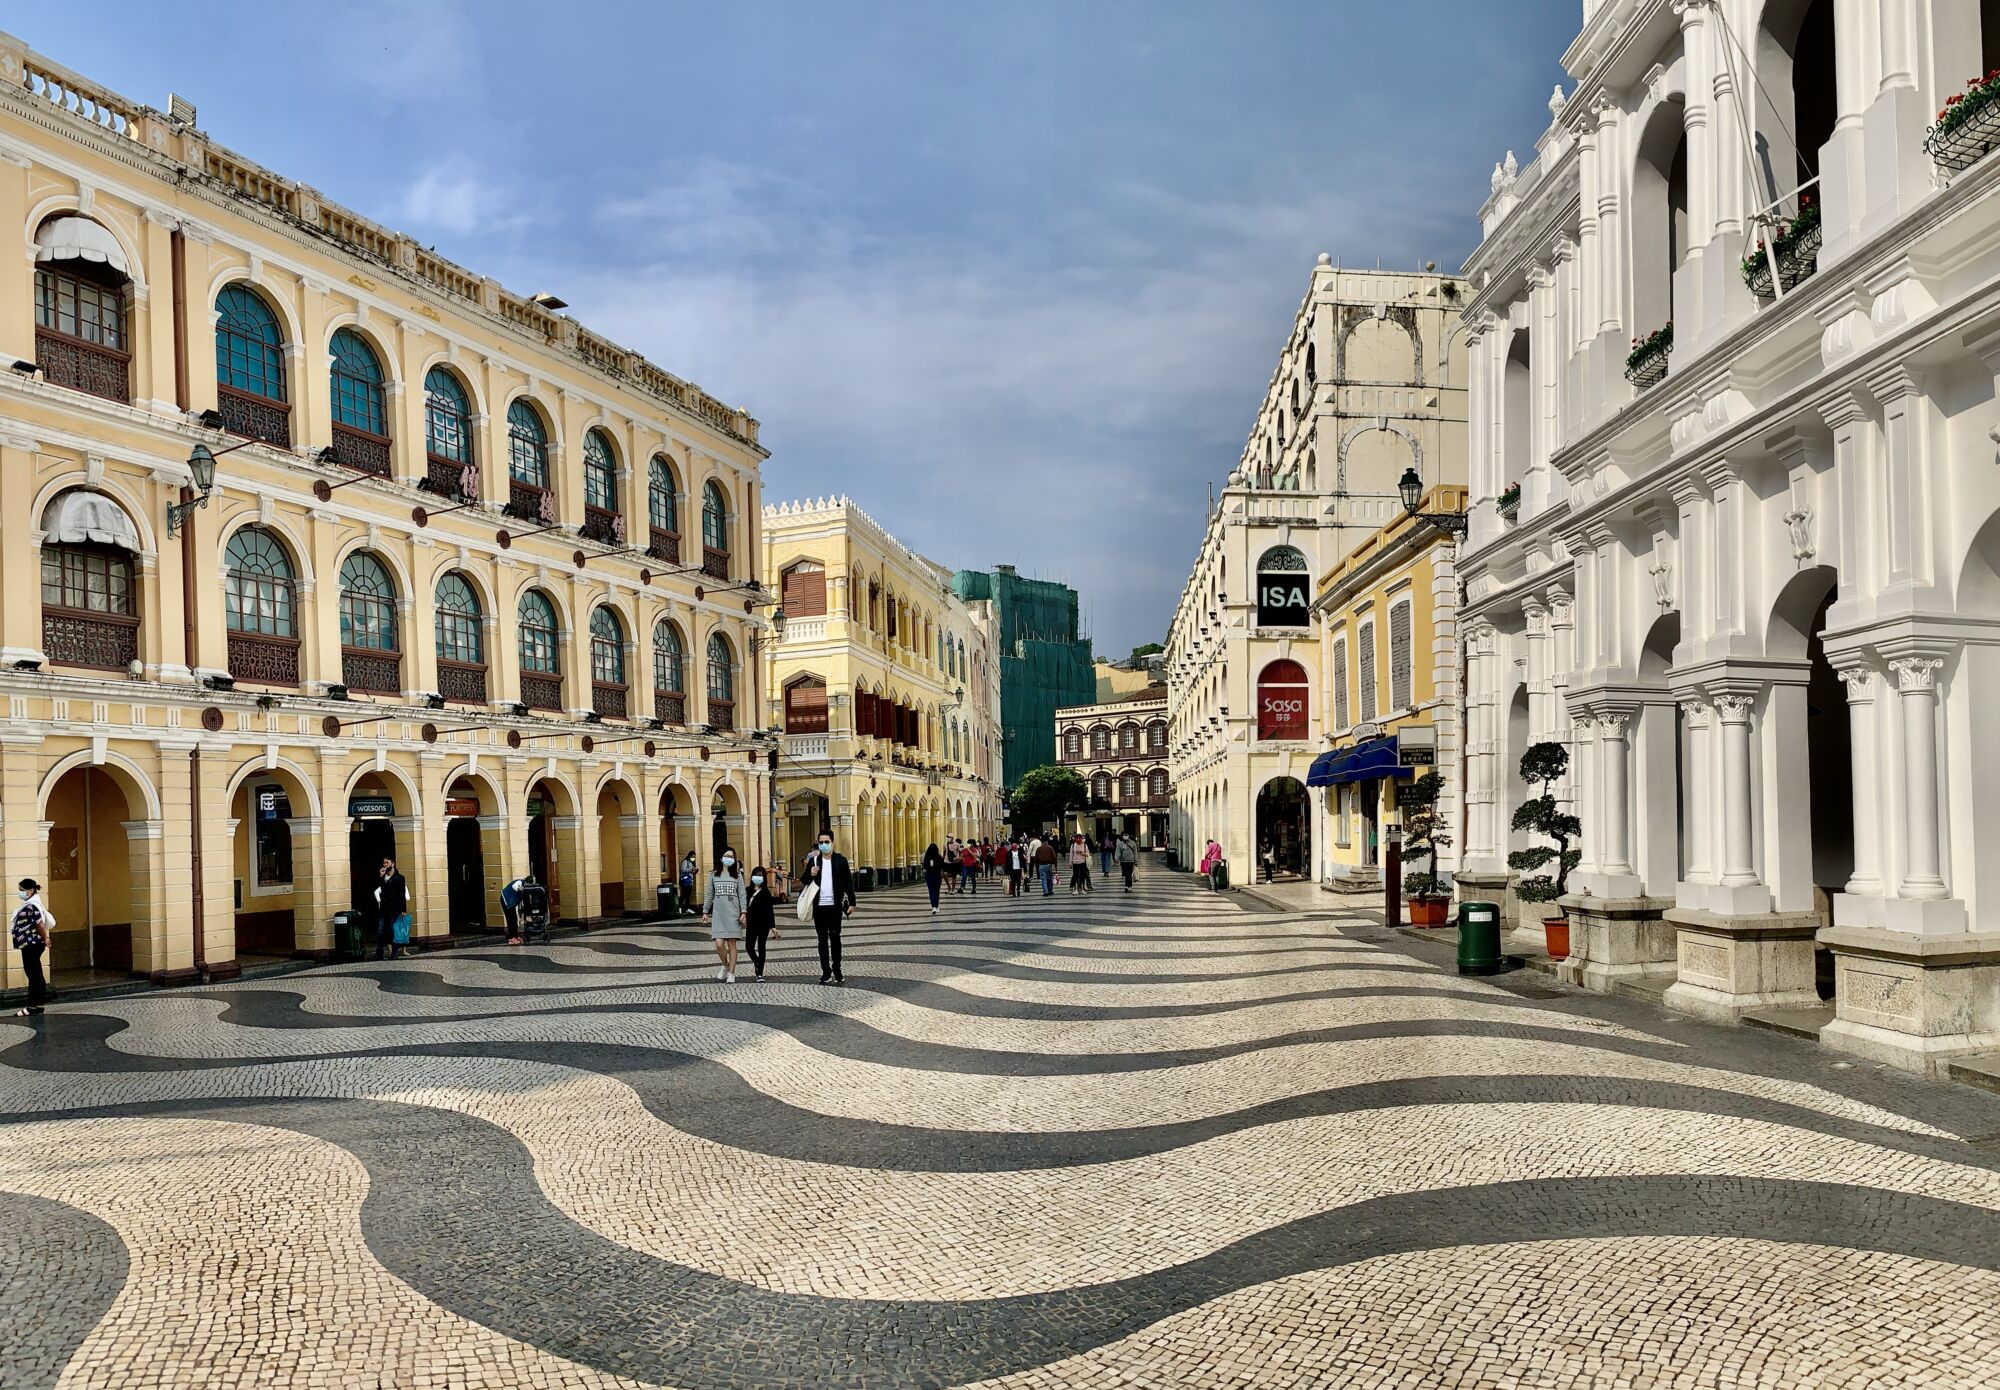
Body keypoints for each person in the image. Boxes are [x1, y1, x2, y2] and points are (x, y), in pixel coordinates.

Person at [803, 831, 856, 983]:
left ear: (832, 842)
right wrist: (810, 874)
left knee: (835, 938)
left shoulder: (840, 860)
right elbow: (803, 880)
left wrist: (852, 902)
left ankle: (837, 969)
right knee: (821, 941)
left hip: (835, 906)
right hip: (819, 907)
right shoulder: (814, 861)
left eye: (826, 842)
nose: (824, 845)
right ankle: (826, 971)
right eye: (821, 842)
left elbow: (848, 882)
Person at [702, 847, 745, 983]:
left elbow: (742, 895)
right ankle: (725, 965)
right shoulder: (713, 875)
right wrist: (705, 911)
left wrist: (744, 912)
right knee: (719, 944)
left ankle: (731, 972)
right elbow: (709, 894)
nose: (729, 858)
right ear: (721, 858)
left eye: (731, 856)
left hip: (733, 913)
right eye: (726, 855)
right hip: (719, 914)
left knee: (732, 944)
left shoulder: (738, 876)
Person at [11, 878, 52, 1017]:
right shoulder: (30, 904)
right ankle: (38, 1004)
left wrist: (45, 938)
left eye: (22, 890)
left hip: (31, 944)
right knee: (35, 974)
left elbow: (39, 924)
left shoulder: (32, 906)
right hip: (29, 944)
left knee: (33, 975)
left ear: (31, 890)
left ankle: (33, 1005)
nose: (20, 893)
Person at [744, 866, 776, 979]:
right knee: (749, 947)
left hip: (764, 924)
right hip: (752, 923)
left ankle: (760, 972)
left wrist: (773, 926)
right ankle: (757, 962)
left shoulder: (766, 892)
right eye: (756, 874)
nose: (758, 877)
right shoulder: (747, 891)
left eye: (760, 875)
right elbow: (743, 906)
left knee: (761, 947)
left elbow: (770, 910)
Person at [374, 856, 409, 960]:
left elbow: (402, 894)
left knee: (392, 930)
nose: (385, 865)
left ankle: (394, 952)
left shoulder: (400, 878)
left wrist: (403, 910)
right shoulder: (382, 877)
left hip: (394, 908)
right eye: (384, 863)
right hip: (383, 908)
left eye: (387, 863)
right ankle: (379, 952)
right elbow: (379, 890)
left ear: (392, 864)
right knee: (380, 930)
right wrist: (381, 877)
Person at [500, 874, 529, 945]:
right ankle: (511, 938)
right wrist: (522, 888)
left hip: (510, 903)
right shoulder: (520, 882)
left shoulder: (524, 887)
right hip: (506, 900)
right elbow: (515, 887)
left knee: (514, 918)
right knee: (510, 919)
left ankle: (515, 936)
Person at [922, 841, 946, 915]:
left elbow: (925, 866)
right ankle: (937, 906)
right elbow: (942, 866)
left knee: (931, 891)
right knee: (936, 891)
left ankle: (933, 907)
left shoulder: (926, 857)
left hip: (929, 875)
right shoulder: (939, 857)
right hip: (937, 876)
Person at [679, 851, 699, 916]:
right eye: (692, 856)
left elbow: (691, 871)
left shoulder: (691, 862)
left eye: (694, 857)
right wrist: (691, 869)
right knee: (683, 894)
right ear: (689, 856)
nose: (693, 858)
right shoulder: (685, 862)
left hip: (690, 880)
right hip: (685, 880)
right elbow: (683, 869)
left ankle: (687, 908)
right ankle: (679, 907)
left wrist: (695, 871)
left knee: (688, 895)